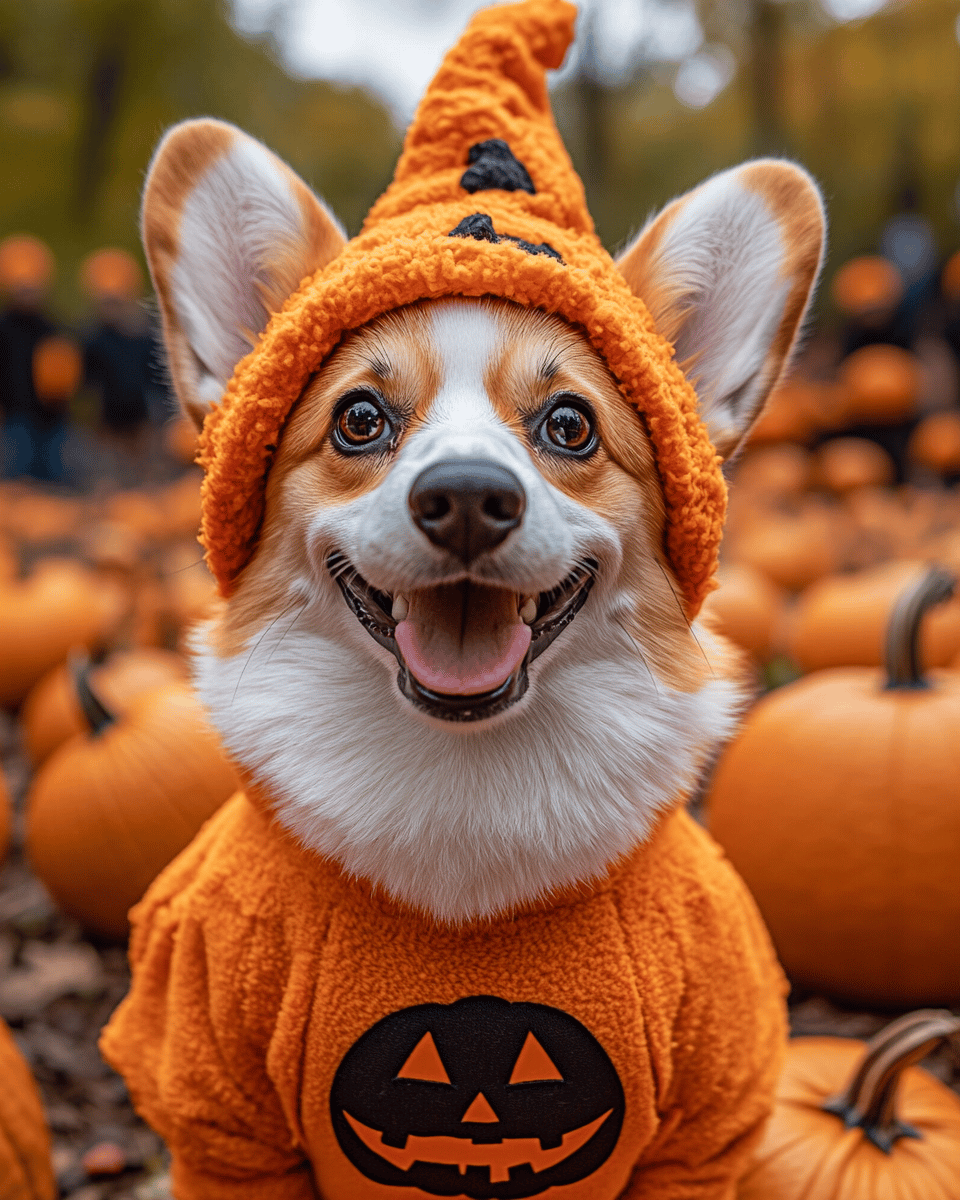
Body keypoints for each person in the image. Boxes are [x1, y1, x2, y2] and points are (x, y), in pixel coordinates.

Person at [0, 234, 72, 483]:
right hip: (15, 418)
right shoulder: (4, 328)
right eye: (21, 288)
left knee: (53, 478)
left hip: (52, 419)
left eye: (31, 288)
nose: (26, 294)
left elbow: (68, 374)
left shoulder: (53, 328)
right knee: (18, 479)